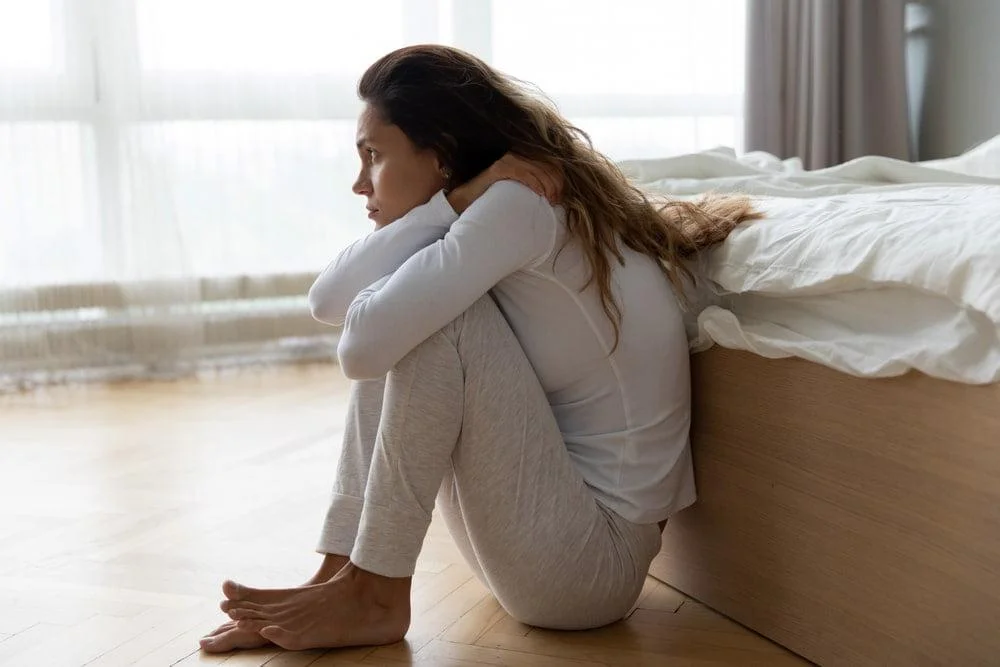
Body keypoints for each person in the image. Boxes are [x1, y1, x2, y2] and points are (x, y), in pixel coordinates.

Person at [200, 44, 758, 653]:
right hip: (548, 539)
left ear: (439, 153)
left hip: (589, 566)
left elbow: (359, 348)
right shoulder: (492, 204)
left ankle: (373, 592)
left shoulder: (520, 206)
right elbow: (328, 300)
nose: (360, 181)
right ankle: (342, 576)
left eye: (373, 155)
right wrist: (449, 203)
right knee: (412, 305)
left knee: (429, 318)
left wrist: (453, 206)